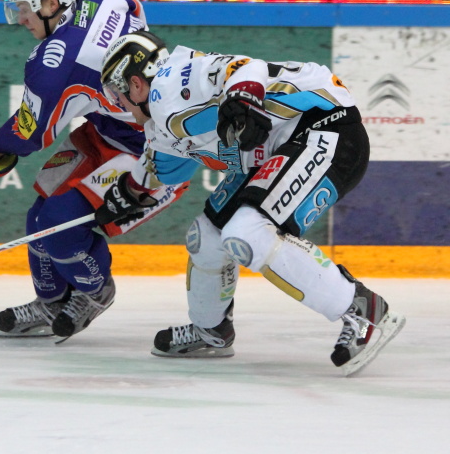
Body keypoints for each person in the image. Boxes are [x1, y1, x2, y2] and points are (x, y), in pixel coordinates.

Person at [95, 30, 405, 376]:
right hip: (276, 150)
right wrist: (128, 193)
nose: (116, 102)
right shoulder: (158, 123)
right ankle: (211, 330)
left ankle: (363, 310)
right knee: (206, 236)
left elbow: (245, 67)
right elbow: (160, 169)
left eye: (115, 92)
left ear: (136, 84)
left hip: (326, 127)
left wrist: (241, 99)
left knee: (248, 233)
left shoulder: (173, 78)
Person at [0, 0, 195, 340]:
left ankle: (94, 290)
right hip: (108, 130)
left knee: (59, 223)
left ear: (52, 3)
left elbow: (29, 134)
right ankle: (50, 303)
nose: (20, 19)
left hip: (154, 151)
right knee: (39, 219)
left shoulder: (57, 62)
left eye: (24, 9)